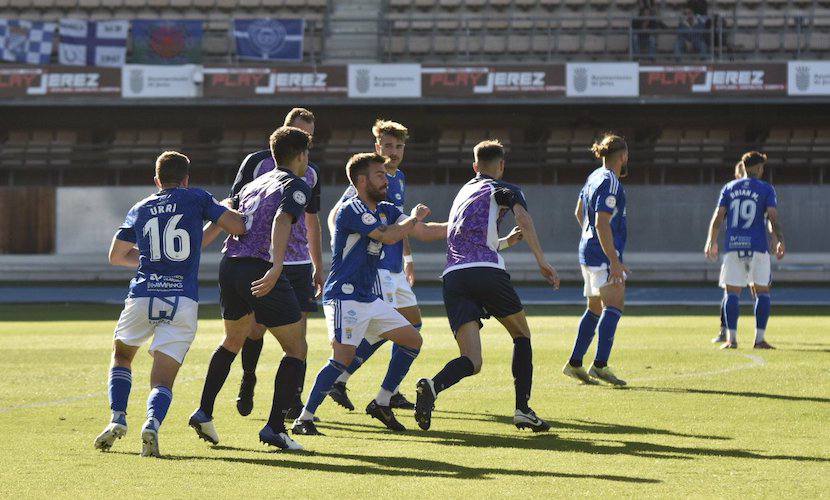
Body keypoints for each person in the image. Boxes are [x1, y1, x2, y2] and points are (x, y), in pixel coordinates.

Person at [94, 151, 246, 458]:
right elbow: (238, 227)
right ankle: (151, 422)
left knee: (122, 356)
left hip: (143, 295)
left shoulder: (140, 208)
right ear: (186, 179)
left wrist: (150, 259)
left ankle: (118, 417)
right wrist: (223, 212)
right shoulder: (197, 199)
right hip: (181, 299)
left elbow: (116, 256)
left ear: (156, 180)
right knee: (162, 378)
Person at [292, 153, 446, 435]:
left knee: (412, 339)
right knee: (342, 358)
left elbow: (420, 231)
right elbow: (388, 236)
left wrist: (458, 226)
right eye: (379, 175)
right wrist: (413, 218)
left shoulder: (385, 209)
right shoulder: (351, 209)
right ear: (361, 181)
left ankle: (382, 401)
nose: (386, 179)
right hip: (344, 295)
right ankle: (304, 418)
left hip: (367, 296)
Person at [413, 140, 559, 433]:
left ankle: (432, 385)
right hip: (487, 273)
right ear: (501, 166)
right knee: (521, 335)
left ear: (474, 166)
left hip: (454, 277)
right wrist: (542, 261)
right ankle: (522, 409)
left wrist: (505, 242)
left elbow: (467, 240)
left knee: (472, 360)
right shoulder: (504, 189)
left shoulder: (462, 194)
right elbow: (523, 218)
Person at [189, 126, 314, 451]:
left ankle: (204, 411)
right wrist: (275, 266)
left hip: (230, 265)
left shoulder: (254, 183)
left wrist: (196, 247)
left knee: (233, 339)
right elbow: (282, 220)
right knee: (296, 348)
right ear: (301, 155)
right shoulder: (295, 183)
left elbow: (227, 218)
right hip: (259, 268)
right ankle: (274, 428)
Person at [215, 108, 323, 420]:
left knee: (298, 337)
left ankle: (293, 404)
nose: (305, 140)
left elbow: (312, 220)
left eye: (309, 135)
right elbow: (235, 206)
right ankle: (248, 377)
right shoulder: (257, 163)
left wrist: (318, 263)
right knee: (254, 329)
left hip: (298, 260)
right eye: (299, 132)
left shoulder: (311, 172)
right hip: (262, 258)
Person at [325, 119, 420, 413]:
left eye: (399, 146)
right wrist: (338, 244)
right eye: (388, 146)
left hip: (394, 267)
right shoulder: (370, 179)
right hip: (376, 266)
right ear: (378, 147)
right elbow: (336, 214)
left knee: (412, 324)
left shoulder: (399, 178)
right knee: (390, 329)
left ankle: (373, 387)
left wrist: (407, 258)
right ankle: (351, 382)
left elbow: (399, 222)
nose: (394, 151)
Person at [562, 134, 630, 387]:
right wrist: (613, 258)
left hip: (587, 251)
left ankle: (575, 363)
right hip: (601, 254)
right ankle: (600, 365)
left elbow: (579, 212)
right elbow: (602, 222)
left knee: (595, 308)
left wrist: (590, 241)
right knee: (615, 304)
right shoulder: (611, 182)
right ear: (623, 156)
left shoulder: (593, 177)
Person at [705, 152, 785, 350]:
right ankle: (759, 339)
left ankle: (731, 339)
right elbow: (773, 219)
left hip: (734, 246)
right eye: (762, 167)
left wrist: (710, 241)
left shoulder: (729, 187)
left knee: (731, 292)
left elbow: (718, 217)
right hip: (758, 246)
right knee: (762, 292)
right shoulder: (766, 189)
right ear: (758, 168)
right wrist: (780, 240)